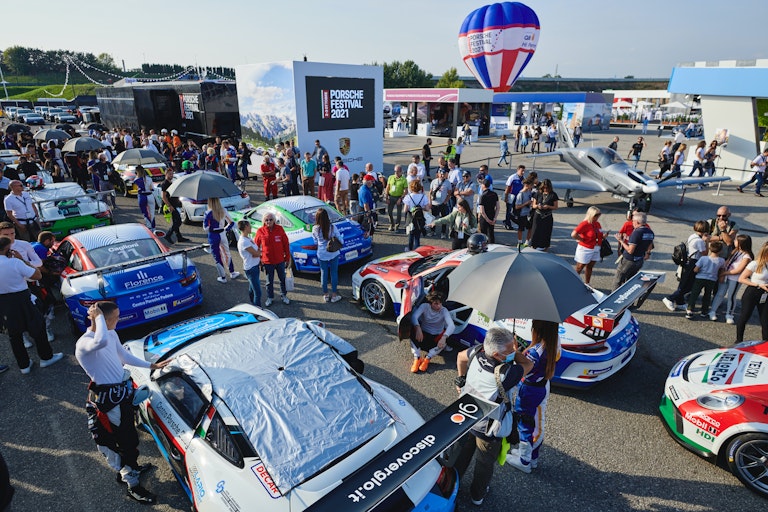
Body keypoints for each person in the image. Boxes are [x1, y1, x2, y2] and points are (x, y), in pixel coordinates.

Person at [75, 301, 169, 504]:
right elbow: (99, 342)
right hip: (110, 403)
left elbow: (123, 356)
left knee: (129, 435)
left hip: (121, 395)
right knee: (125, 441)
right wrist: (98, 316)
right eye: (114, 318)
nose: (118, 320)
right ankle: (132, 485)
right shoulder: (85, 343)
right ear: (101, 319)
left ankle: (131, 469)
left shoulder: (110, 333)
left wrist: (151, 365)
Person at [451, 327, 533, 506]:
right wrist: (517, 353)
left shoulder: (478, 351)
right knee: (484, 463)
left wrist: (461, 378)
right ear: (496, 354)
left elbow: (460, 357)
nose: (513, 351)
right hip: (488, 427)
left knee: (460, 456)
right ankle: (477, 495)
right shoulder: (505, 374)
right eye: (509, 350)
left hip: (466, 416)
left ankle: (451, 487)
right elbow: (528, 365)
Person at [0, 236, 63, 374]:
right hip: (22, 298)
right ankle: (46, 357)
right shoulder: (15, 263)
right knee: (38, 326)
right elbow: (37, 275)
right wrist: (21, 260)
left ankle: (24, 366)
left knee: (14, 335)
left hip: (3, 303)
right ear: (7, 249)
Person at [506, 319, 559, 473]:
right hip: (541, 387)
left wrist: (514, 353)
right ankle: (532, 457)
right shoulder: (553, 344)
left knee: (525, 424)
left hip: (528, 390)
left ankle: (524, 461)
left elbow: (522, 369)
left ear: (537, 330)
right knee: (535, 423)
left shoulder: (534, 352)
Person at [662, 220, 709, 311]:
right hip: (694, 262)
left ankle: (680, 302)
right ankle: (670, 298)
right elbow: (705, 254)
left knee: (684, 283)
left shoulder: (693, 236)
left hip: (688, 261)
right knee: (687, 285)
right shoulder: (700, 241)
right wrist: (706, 242)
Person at [710, 234, 752, 323]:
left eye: (736, 241)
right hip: (726, 276)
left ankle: (729, 314)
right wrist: (723, 273)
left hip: (735, 279)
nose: (734, 242)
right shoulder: (735, 251)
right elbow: (727, 261)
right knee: (720, 293)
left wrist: (724, 273)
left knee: (731, 296)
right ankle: (712, 311)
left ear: (741, 243)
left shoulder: (747, 256)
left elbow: (738, 270)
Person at [409, 291, 454, 373]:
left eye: (440, 303)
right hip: (423, 334)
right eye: (436, 303)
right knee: (411, 331)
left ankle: (427, 358)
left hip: (435, 337)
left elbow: (452, 326)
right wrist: (418, 327)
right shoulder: (424, 306)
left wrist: (444, 337)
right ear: (430, 303)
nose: (439, 306)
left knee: (443, 342)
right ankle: (417, 358)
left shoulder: (444, 310)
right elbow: (414, 317)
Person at [254, 212, 291, 306]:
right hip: (267, 261)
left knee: (282, 279)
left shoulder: (280, 229)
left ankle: (284, 295)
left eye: (270, 219)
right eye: (266, 220)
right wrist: (259, 259)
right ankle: (270, 297)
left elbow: (286, 244)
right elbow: (256, 246)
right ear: (263, 221)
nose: (268, 221)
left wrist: (287, 257)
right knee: (269, 282)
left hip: (280, 260)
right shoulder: (260, 231)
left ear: (274, 220)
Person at [612, 211, 654, 289]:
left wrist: (620, 240)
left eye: (633, 221)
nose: (632, 223)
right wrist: (648, 253)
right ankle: (628, 299)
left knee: (618, 280)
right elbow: (648, 244)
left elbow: (630, 250)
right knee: (630, 281)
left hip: (629, 260)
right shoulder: (650, 232)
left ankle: (613, 298)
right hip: (639, 260)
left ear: (637, 222)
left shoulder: (637, 232)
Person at [736, 242, 768, 342]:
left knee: (765, 320)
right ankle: (739, 340)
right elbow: (742, 278)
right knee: (745, 316)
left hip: (765, 294)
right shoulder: (755, 264)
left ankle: (765, 342)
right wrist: (758, 285)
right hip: (753, 292)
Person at [685, 241, 726, 320]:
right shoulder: (722, 260)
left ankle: (690, 310)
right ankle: (704, 311)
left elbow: (696, 269)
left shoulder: (703, 258)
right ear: (721, 251)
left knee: (694, 294)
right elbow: (721, 270)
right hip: (712, 280)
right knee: (707, 295)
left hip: (700, 278)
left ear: (710, 249)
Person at [203, 197, 239, 284]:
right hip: (222, 234)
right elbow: (232, 223)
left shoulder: (207, 213)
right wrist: (225, 229)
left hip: (213, 236)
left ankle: (223, 277)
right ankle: (232, 272)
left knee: (217, 256)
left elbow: (205, 228)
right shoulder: (224, 210)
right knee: (227, 253)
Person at [312, 208, 343, 303]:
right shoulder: (332, 227)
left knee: (324, 273)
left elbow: (315, 241)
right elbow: (341, 240)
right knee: (334, 273)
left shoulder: (315, 229)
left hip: (322, 253)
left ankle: (325, 294)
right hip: (333, 252)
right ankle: (334, 295)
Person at [571, 206, 605, 285]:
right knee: (580, 267)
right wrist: (581, 239)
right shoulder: (584, 224)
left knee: (590, 267)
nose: (598, 217)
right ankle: (573, 282)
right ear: (591, 215)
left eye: (599, 215)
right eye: (596, 215)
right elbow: (573, 234)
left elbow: (599, 233)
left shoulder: (597, 224)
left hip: (596, 248)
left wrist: (603, 236)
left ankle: (587, 283)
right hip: (585, 248)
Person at [236, 220, 262, 307]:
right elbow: (257, 253)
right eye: (249, 226)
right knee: (258, 292)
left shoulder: (248, 238)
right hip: (251, 269)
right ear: (246, 227)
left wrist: (257, 253)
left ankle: (252, 305)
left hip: (254, 266)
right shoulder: (244, 242)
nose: (251, 227)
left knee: (252, 289)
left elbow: (257, 251)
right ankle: (257, 311)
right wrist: (257, 253)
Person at [529, 179, 559, 251]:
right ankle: (534, 245)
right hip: (538, 214)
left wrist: (548, 206)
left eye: (547, 188)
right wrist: (538, 206)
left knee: (546, 231)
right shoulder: (538, 193)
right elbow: (533, 205)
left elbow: (556, 207)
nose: (545, 189)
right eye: (544, 187)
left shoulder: (553, 195)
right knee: (536, 230)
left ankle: (545, 246)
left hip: (547, 215)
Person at [160, 169, 189, 244]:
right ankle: (168, 235)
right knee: (178, 221)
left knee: (175, 221)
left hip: (174, 205)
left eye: (172, 174)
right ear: (166, 174)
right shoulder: (165, 184)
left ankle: (179, 237)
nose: (171, 175)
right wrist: (169, 206)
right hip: (170, 206)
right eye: (169, 174)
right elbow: (163, 197)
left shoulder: (171, 182)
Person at [402, 180, 430, 250]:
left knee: (411, 235)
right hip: (420, 218)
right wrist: (420, 208)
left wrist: (411, 209)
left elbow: (405, 210)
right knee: (417, 236)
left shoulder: (408, 197)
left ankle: (409, 249)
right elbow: (427, 208)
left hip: (411, 218)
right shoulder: (423, 197)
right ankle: (417, 250)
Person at [385, 165, 407, 231]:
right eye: (395, 171)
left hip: (399, 197)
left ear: (401, 172)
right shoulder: (391, 177)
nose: (396, 173)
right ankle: (392, 224)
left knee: (398, 213)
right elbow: (387, 187)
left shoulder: (404, 179)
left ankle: (397, 225)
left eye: (397, 172)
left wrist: (401, 198)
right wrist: (386, 197)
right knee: (389, 212)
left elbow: (406, 190)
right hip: (391, 196)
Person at [504, 165, 525, 230]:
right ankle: (507, 223)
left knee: (517, 212)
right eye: (522, 171)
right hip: (511, 196)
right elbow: (508, 187)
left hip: (518, 198)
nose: (523, 172)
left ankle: (516, 223)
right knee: (509, 211)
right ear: (518, 170)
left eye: (524, 171)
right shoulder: (512, 177)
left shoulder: (523, 178)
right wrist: (506, 197)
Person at [133, 166, 155, 231]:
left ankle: (149, 227)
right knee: (152, 213)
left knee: (145, 213)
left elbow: (136, 189)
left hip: (142, 196)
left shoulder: (136, 180)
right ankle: (153, 228)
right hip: (150, 196)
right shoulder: (149, 179)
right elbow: (152, 188)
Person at [478, 178, 499, 244]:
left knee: (483, 234)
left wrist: (487, 219)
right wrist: (494, 218)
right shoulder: (494, 194)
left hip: (484, 218)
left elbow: (482, 210)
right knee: (491, 233)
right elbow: (498, 207)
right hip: (492, 215)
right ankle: (492, 247)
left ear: (483, 185)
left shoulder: (483, 196)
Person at [358, 174, 377, 240]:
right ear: (368, 182)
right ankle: (368, 241)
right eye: (371, 181)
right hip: (365, 212)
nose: (372, 183)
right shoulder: (365, 191)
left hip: (363, 210)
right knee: (368, 228)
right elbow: (366, 205)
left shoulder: (363, 188)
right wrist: (369, 217)